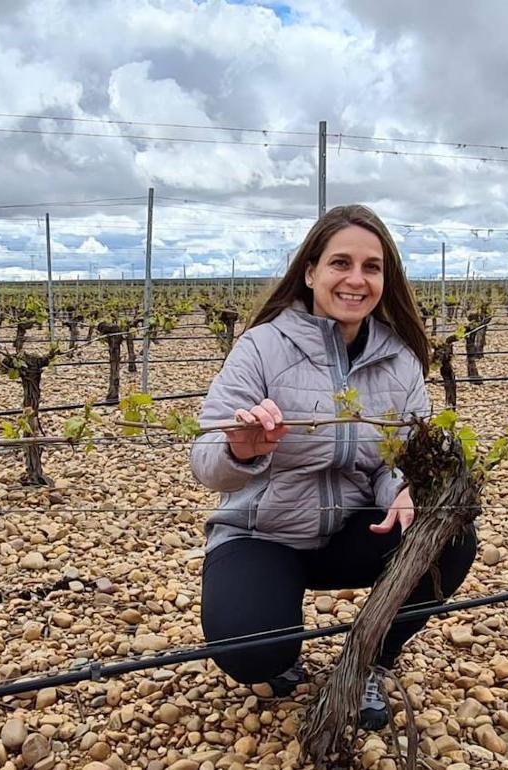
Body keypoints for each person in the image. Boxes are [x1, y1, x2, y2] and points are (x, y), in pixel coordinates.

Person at [190, 204, 478, 730]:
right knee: (254, 654)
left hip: (354, 527)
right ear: (310, 271)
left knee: (451, 535)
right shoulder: (261, 346)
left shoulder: (401, 360)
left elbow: (404, 455)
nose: (356, 279)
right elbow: (206, 461)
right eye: (340, 262)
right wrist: (244, 449)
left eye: (372, 267)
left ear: (385, 280)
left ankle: (369, 659)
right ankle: (278, 642)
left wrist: (400, 486)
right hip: (264, 532)